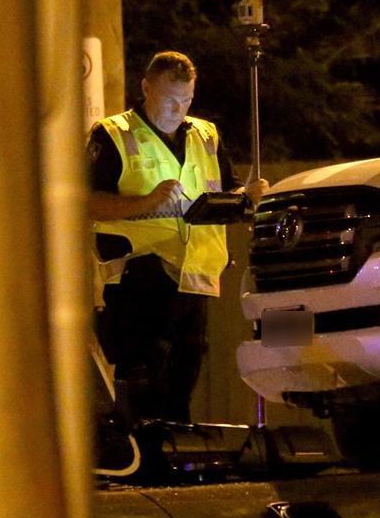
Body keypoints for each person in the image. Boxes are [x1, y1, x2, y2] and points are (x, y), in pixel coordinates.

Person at [87, 51, 269, 424]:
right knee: (144, 367)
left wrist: (246, 199)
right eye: (170, 99)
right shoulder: (114, 134)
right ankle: (146, 452)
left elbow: (226, 191)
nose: (179, 108)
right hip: (139, 270)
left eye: (186, 99)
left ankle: (176, 450)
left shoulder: (206, 134)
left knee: (186, 365)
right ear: (146, 88)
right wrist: (147, 201)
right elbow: (87, 203)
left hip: (196, 275)